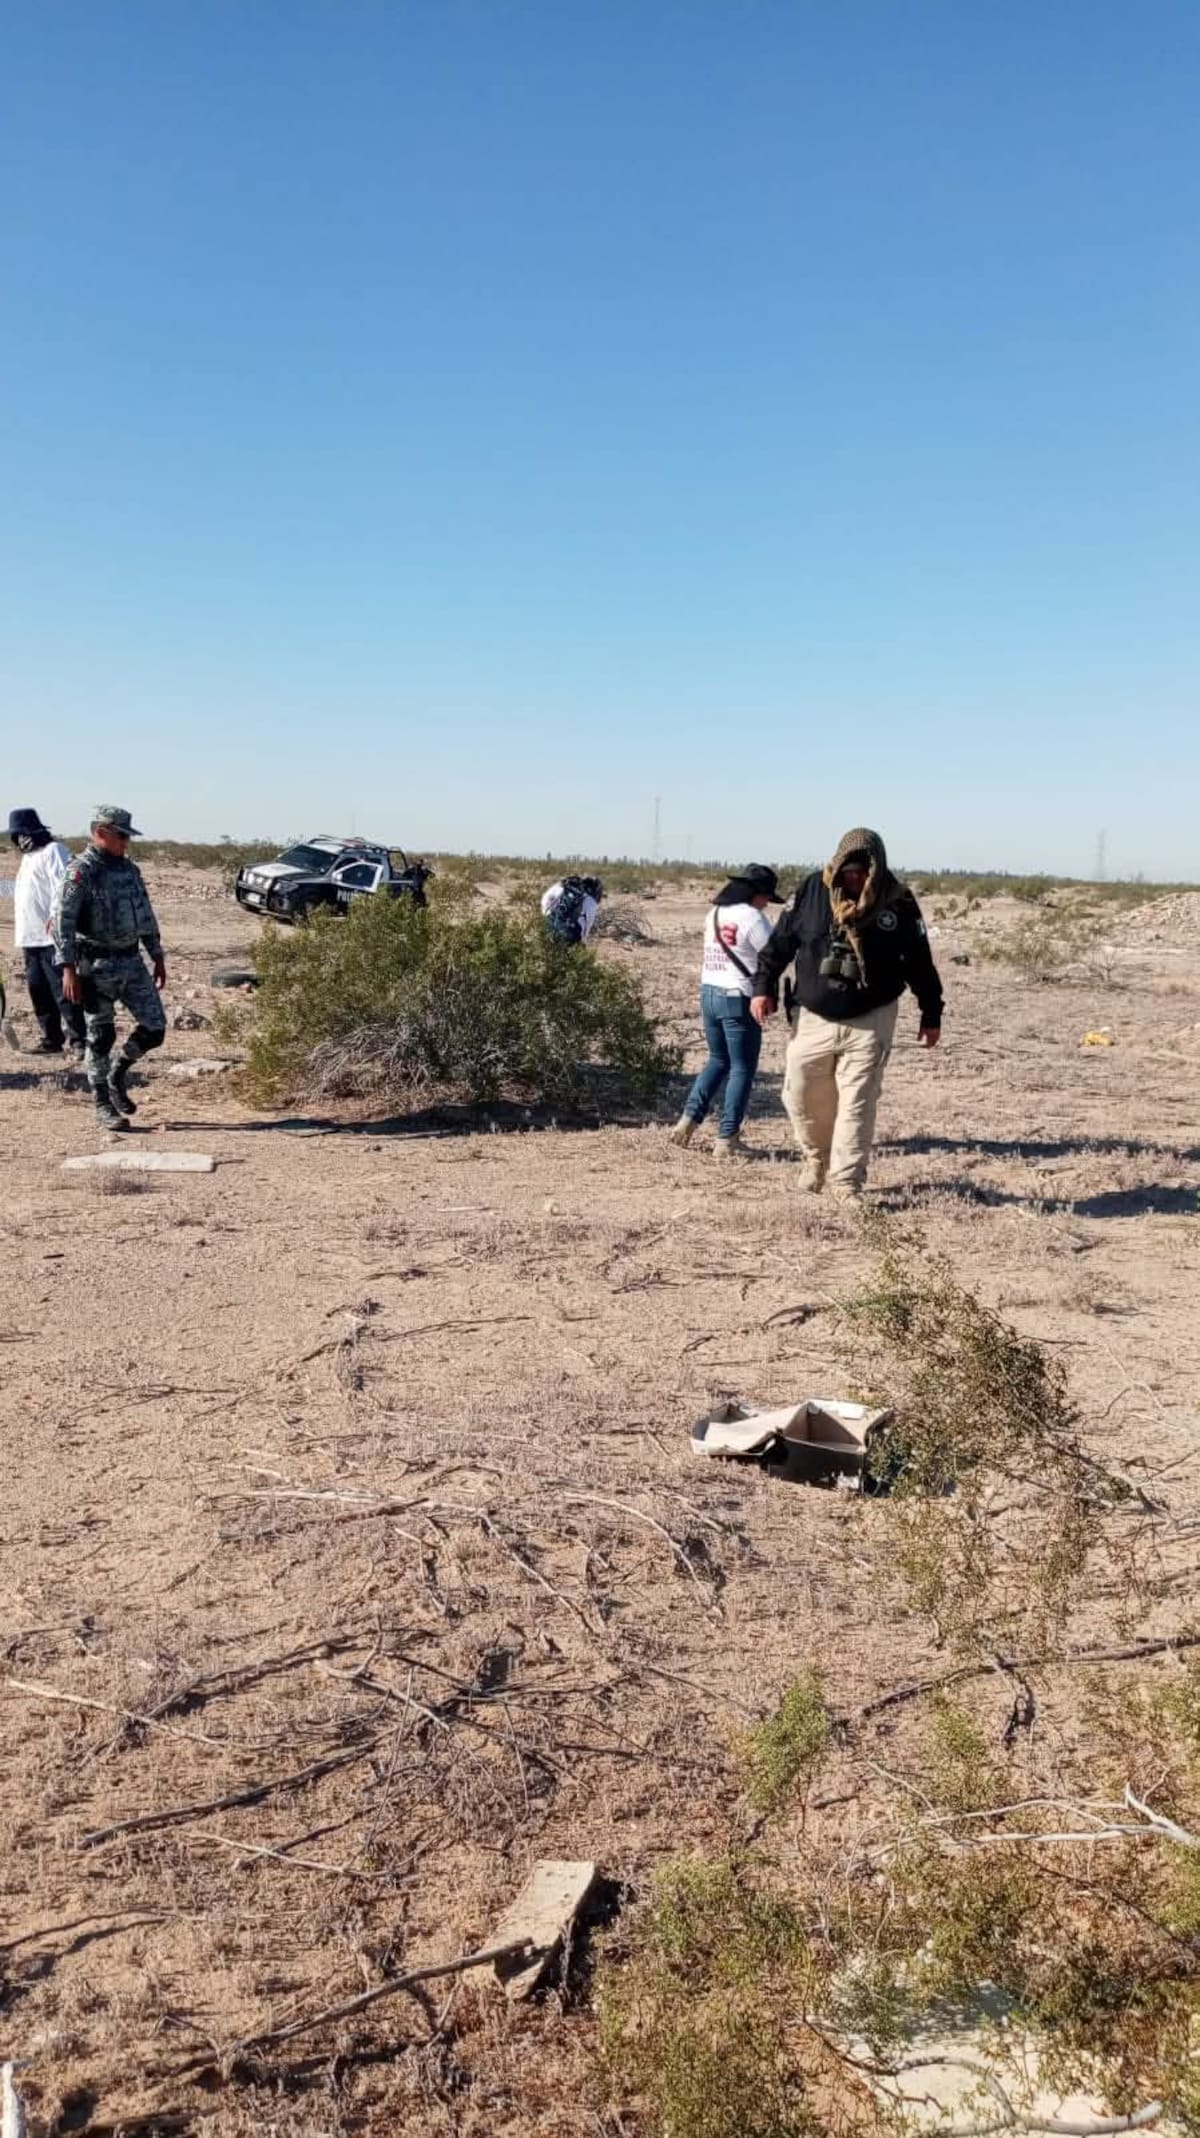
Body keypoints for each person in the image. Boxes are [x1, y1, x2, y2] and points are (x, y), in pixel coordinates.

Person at [751, 827, 942, 1198]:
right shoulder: (812, 890)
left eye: (862, 872)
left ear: (876, 869)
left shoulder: (898, 901)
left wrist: (931, 1012)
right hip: (812, 1016)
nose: (854, 878)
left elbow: (920, 961)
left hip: (871, 1018)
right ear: (837, 866)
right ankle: (816, 1160)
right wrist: (763, 988)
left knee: (857, 1102)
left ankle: (846, 1183)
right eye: (849, 871)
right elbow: (780, 945)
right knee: (802, 1095)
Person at [52, 806, 168, 1133]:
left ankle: (119, 1072)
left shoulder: (129, 871)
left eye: (128, 835)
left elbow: (145, 913)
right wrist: (68, 968)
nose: (126, 842)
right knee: (100, 1035)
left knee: (155, 1027)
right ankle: (102, 1102)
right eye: (121, 835)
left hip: (132, 962)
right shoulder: (81, 871)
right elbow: (63, 922)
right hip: (95, 964)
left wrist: (156, 955)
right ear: (100, 832)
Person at [669, 863, 782, 1161]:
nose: (767, 902)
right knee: (742, 1068)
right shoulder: (752, 918)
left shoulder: (714, 914)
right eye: (766, 896)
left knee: (718, 1060)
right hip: (738, 997)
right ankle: (727, 1137)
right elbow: (773, 956)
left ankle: (687, 1123)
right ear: (756, 893)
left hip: (709, 993)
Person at [8, 808, 86, 1056]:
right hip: (29, 938)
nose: (20, 840)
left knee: (63, 991)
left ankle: (79, 1041)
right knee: (38, 991)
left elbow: (64, 888)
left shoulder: (54, 851)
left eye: (22, 833)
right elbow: (23, 890)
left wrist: (57, 918)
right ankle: (51, 1040)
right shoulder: (28, 858)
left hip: (51, 938)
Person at [541, 873, 604, 945]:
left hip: (549, 925)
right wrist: (582, 943)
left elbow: (545, 901)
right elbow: (587, 927)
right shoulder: (591, 902)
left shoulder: (563, 888)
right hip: (569, 934)